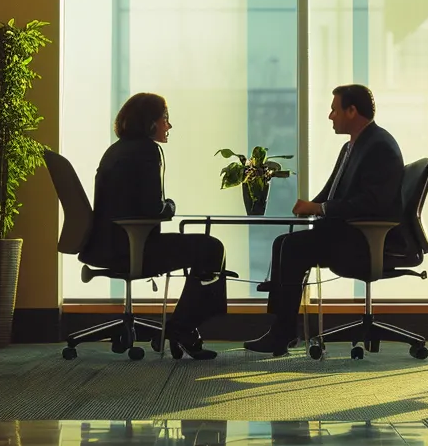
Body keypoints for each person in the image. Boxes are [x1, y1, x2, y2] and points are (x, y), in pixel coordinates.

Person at [245, 84, 407, 356]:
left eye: (334, 110)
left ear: (352, 111)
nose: (330, 116)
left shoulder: (379, 147)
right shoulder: (352, 147)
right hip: (345, 233)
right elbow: (333, 190)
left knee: (290, 248)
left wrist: (320, 208)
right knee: (283, 243)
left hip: (364, 241)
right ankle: (280, 328)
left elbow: (371, 203)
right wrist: (309, 207)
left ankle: (282, 332)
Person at [83, 92, 226, 360]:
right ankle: (182, 328)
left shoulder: (116, 150)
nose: (169, 126)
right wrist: (170, 205)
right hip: (132, 248)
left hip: (107, 245)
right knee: (211, 249)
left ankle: (183, 328)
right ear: (151, 122)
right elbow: (153, 209)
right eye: (166, 119)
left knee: (206, 251)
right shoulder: (148, 150)